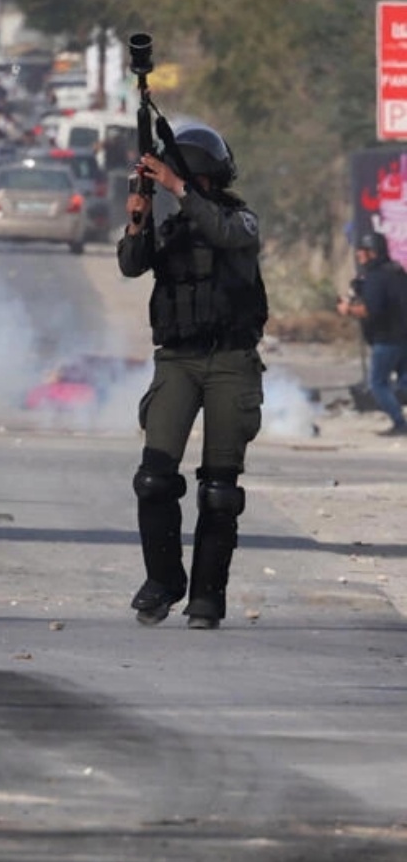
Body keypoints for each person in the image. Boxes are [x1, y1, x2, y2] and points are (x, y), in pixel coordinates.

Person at [118, 125, 265, 631]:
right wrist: (137, 222)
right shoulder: (172, 224)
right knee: (154, 479)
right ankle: (163, 581)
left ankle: (207, 597)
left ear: (197, 178)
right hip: (178, 360)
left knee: (219, 491)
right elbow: (131, 267)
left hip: (231, 361)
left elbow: (224, 233)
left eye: (179, 176)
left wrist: (176, 189)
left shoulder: (241, 220)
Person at [338, 231, 407, 436]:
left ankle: (400, 423)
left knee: (377, 383)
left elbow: (371, 309)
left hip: (387, 340)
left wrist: (347, 309)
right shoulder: (397, 272)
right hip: (403, 337)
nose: (359, 255)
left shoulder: (376, 277)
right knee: (403, 382)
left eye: (363, 251)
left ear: (372, 252)